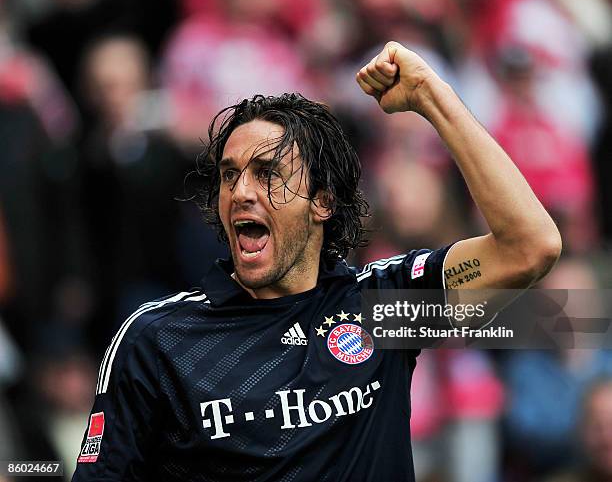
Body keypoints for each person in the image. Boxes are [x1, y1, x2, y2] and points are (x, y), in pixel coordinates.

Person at [72, 41, 561, 481]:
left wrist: (433, 99)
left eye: (268, 174)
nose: (240, 192)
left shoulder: (383, 307)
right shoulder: (157, 339)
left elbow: (529, 247)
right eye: (228, 175)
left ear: (322, 202)